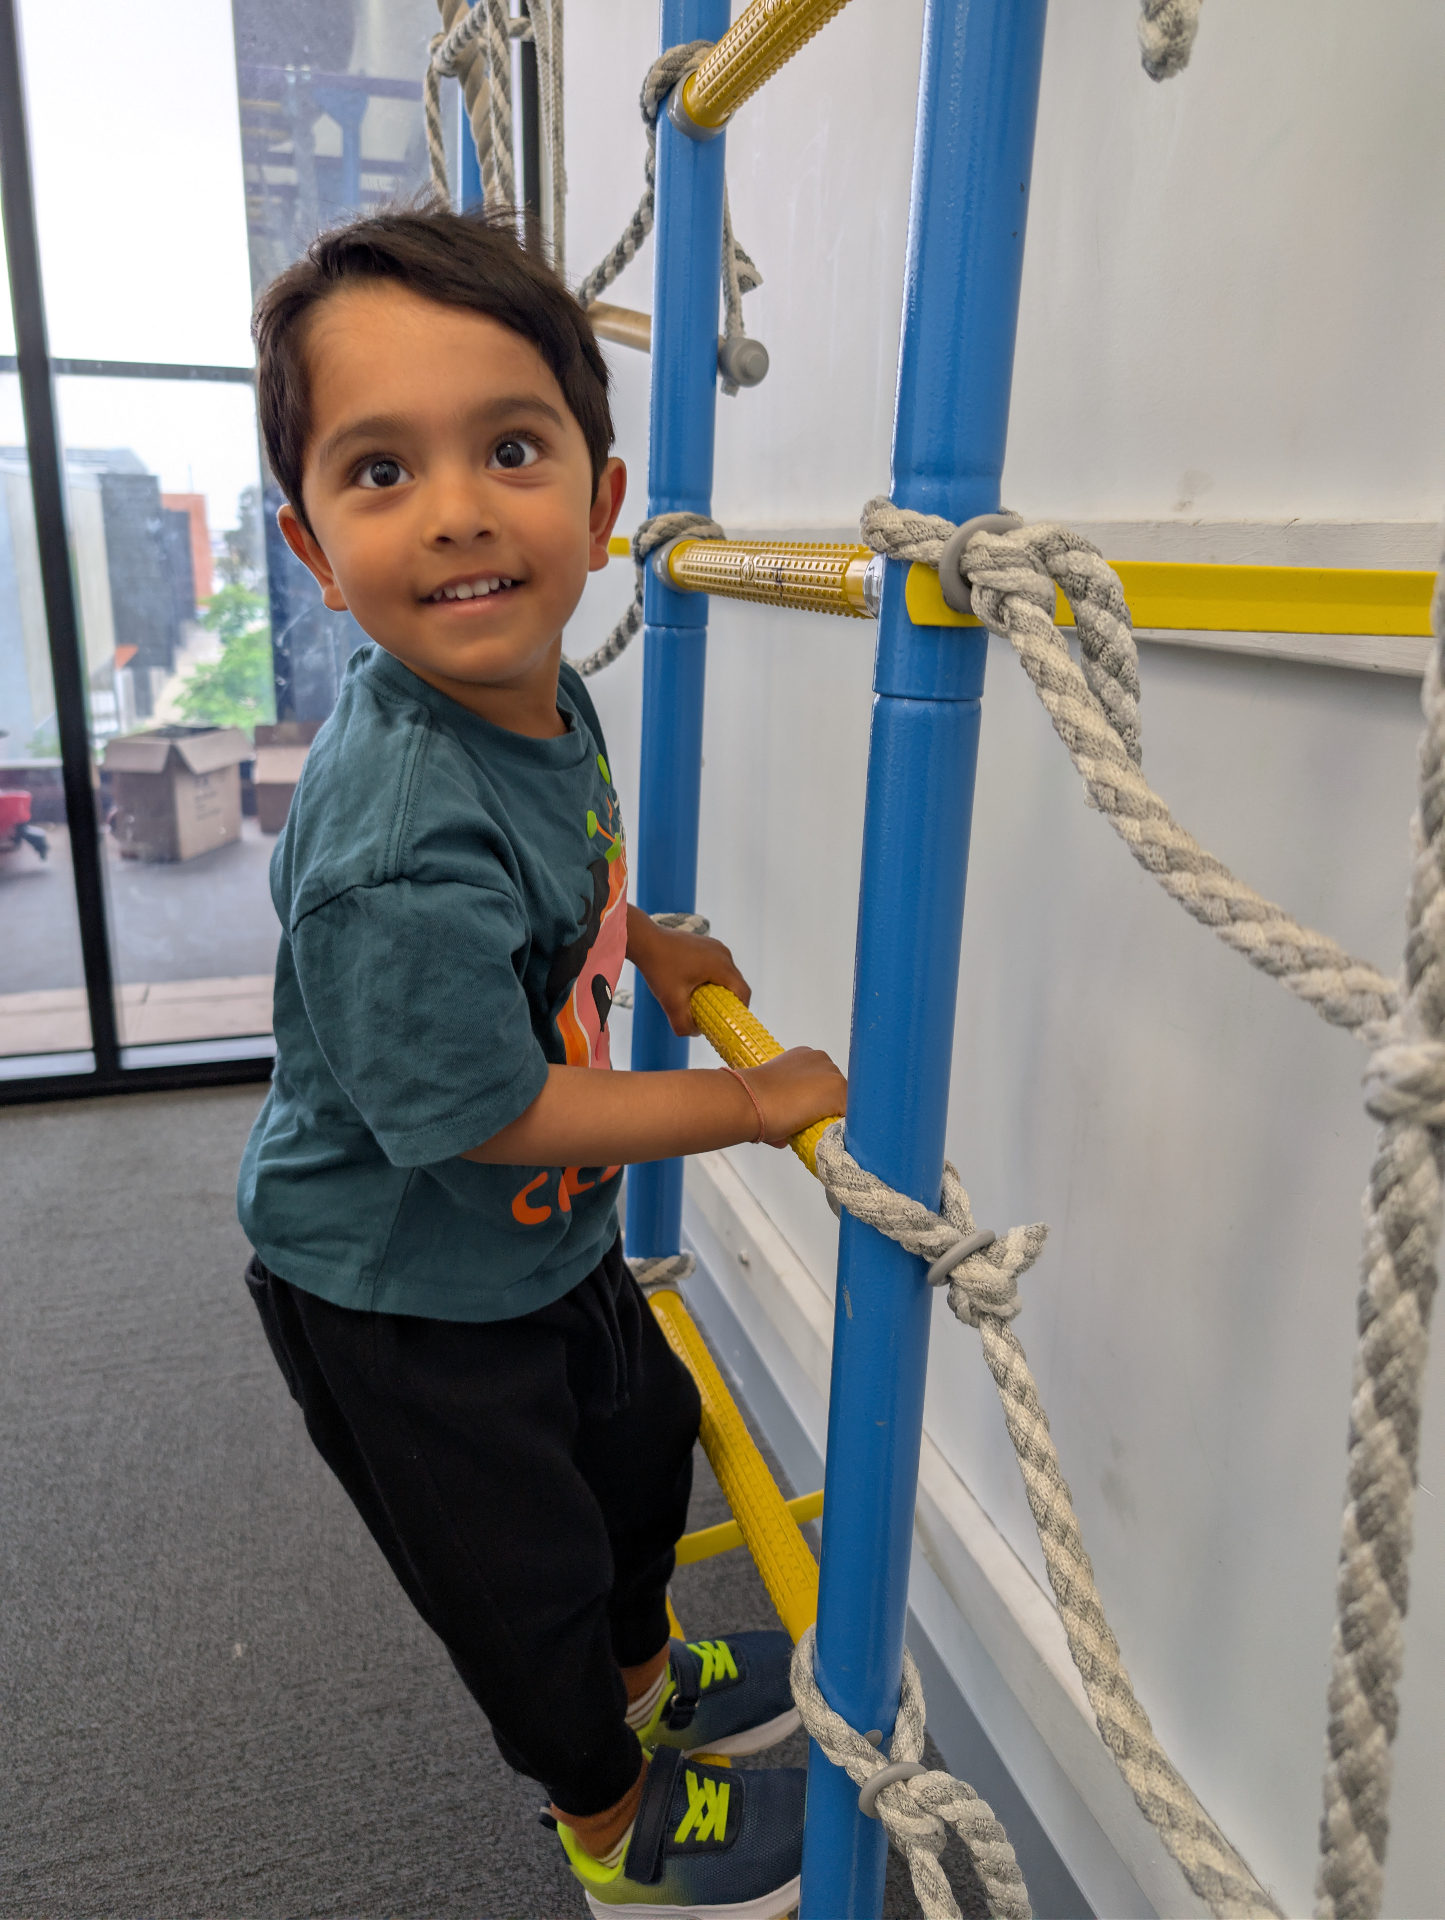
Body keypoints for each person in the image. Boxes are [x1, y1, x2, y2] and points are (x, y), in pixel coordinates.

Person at [236, 205, 848, 1920]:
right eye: (378, 473)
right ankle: (610, 1810)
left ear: (595, 502)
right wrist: (737, 1100)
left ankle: (647, 1684)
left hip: (536, 1243)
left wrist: (636, 941)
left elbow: (556, 874)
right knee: (522, 1579)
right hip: (400, 1290)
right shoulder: (394, 840)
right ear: (308, 540)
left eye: (507, 449)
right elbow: (490, 1111)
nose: (453, 512)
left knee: (639, 1439)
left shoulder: (528, 691)